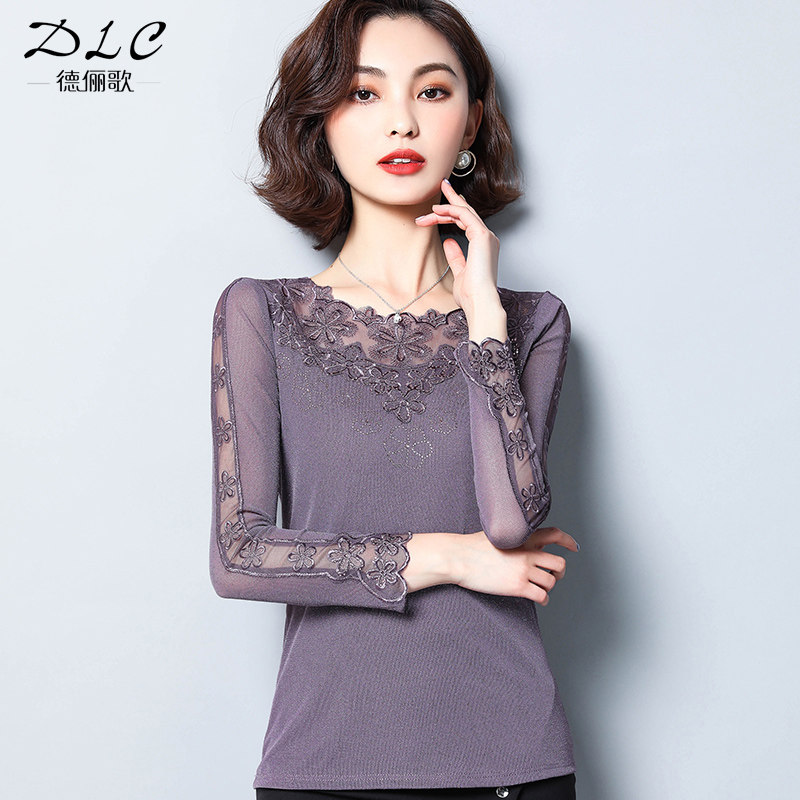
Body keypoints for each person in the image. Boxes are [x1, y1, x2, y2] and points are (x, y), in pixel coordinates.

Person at [209, 1, 579, 798]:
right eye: (364, 93)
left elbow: (509, 523)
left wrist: (485, 319)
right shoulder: (261, 313)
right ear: (321, 121)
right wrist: (447, 557)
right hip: (325, 763)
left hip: (511, 760)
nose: (402, 122)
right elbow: (239, 555)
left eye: (433, 91)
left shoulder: (533, 320)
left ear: (471, 121)